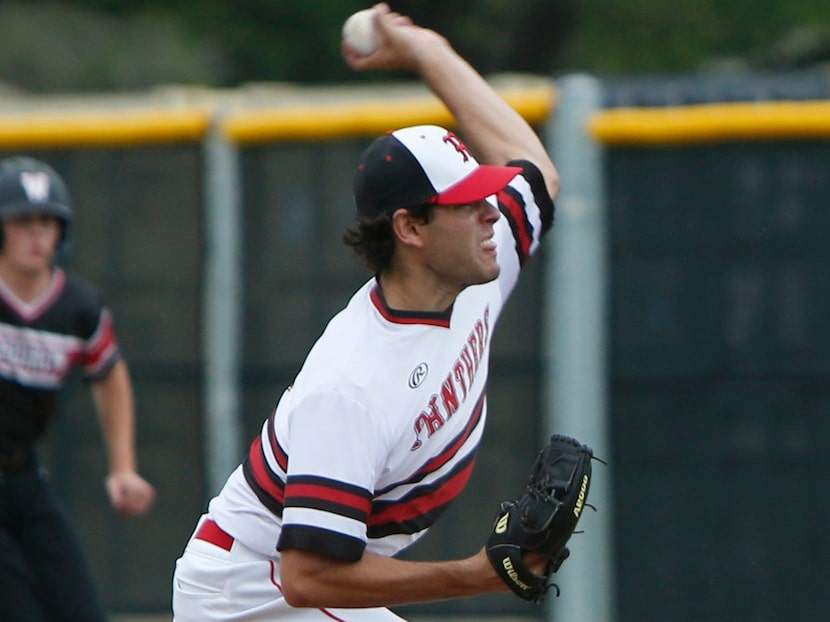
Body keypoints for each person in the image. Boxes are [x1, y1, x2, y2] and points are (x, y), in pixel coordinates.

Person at [172, 3, 559, 620]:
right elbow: (310, 577)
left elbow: (534, 169)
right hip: (252, 592)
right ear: (411, 227)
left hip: (300, 576)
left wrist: (427, 52)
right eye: (468, 204)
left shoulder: (472, 271)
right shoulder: (352, 384)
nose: (493, 212)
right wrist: (475, 575)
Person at [0, 156, 156, 622]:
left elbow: (108, 372)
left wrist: (123, 467)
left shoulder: (78, 308)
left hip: (22, 476)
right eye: (22, 221)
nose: (36, 234)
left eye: (47, 221)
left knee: (82, 610)